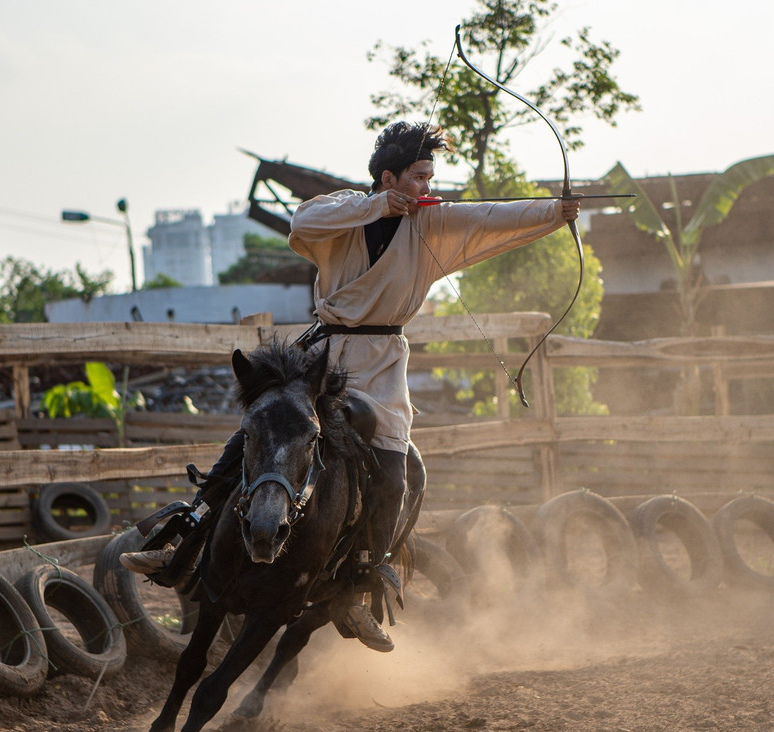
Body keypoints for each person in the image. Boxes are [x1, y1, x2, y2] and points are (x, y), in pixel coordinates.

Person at [122, 120, 580, 652]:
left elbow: (488, 216)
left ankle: (363, 584)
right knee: (261, 433)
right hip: (325, 357)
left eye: (429, 178)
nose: (426, 187)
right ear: (389, 178)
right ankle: (185, 535)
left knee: (396, 475)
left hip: (383, 368)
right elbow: (302, 219)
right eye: (418, 177)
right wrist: (377, 207)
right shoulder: (344, 212)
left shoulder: (431, 224)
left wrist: (555, 212)